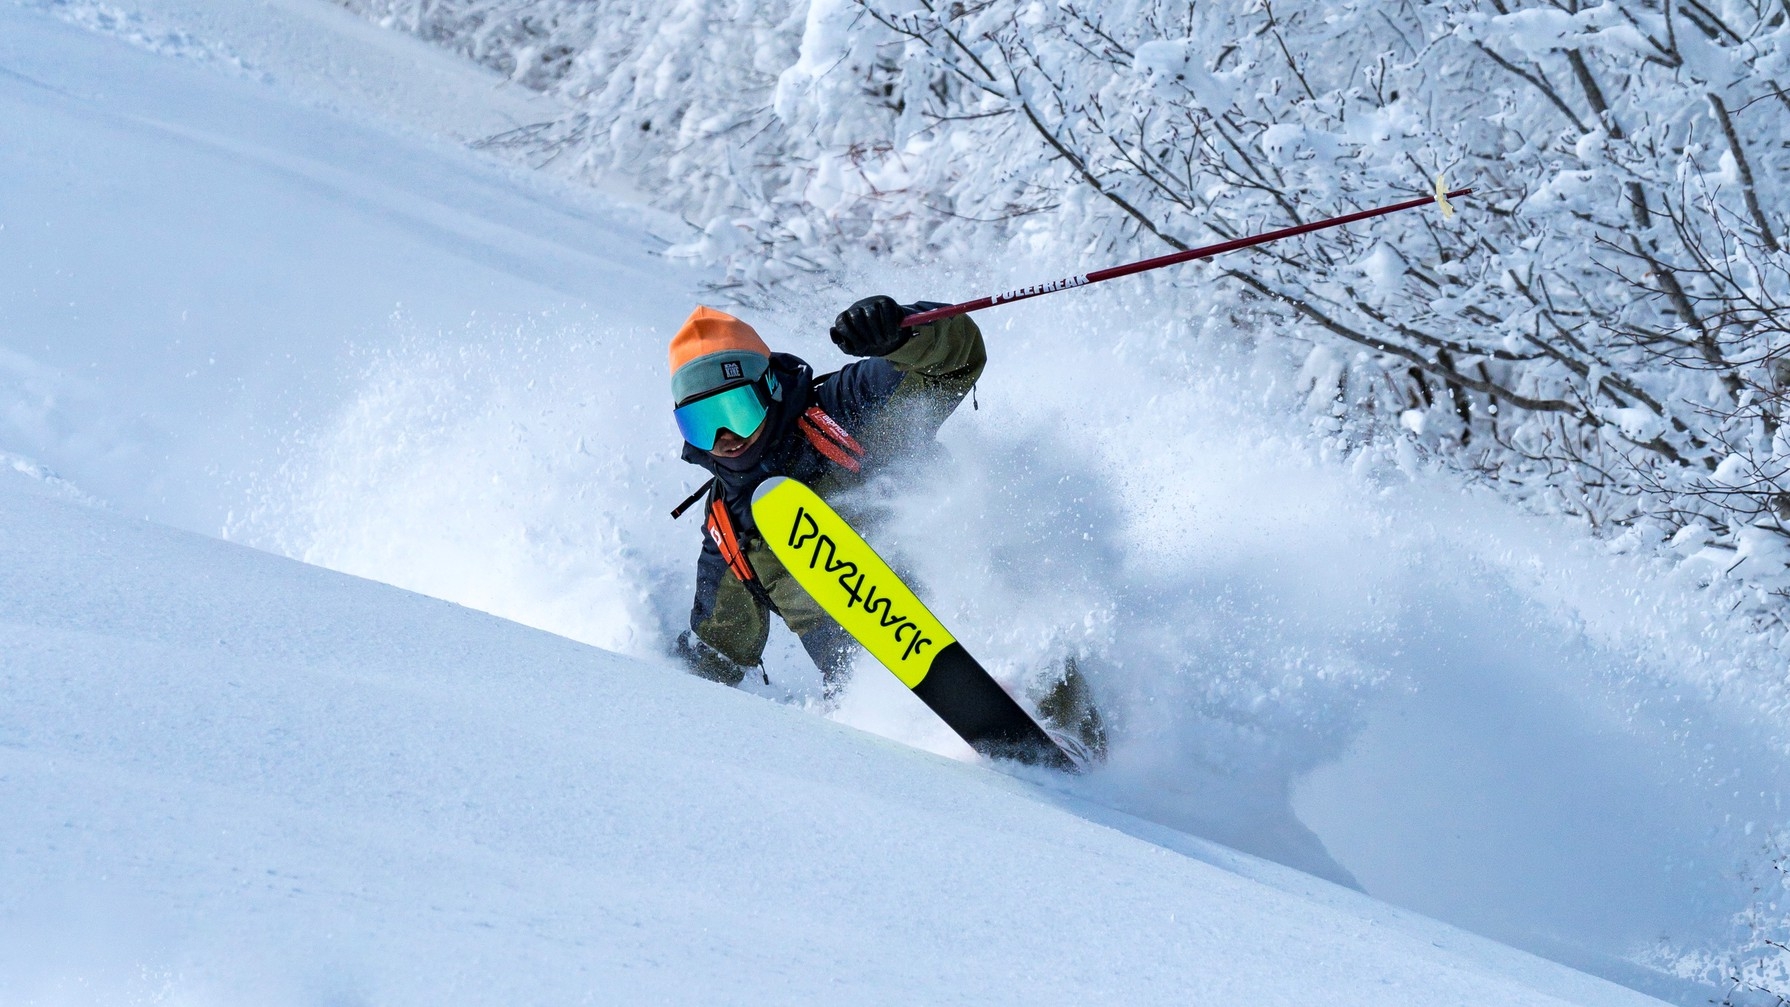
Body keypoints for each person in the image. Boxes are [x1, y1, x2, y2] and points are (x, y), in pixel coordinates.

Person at [667, 295, 983, 705]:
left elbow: (955, 362)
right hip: (883, 701)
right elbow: (716, 657)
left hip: (978, 610)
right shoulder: (729, 529)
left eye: (735, 409)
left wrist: (901, 335)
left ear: (769, 389)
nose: (724, 437)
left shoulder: (845, 408)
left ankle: (1060, 726)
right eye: (702, 423)